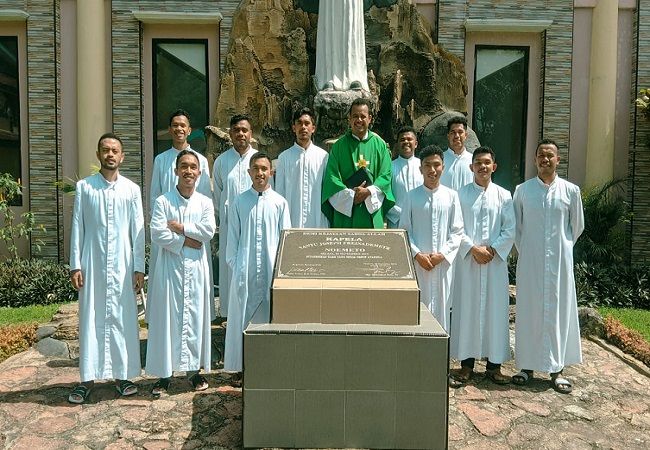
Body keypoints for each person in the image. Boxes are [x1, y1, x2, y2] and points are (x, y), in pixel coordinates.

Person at [68, 132, 145, 404]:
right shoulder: (85, 187)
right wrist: (75, 265)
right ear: (98, 154)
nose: (110, 154)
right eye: (105, 150)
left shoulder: (132, 190)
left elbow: (138, 231)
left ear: (122, 157)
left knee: (123, 319)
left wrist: (139, 267)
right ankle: (86, 380)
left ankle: (123, 377)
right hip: (92, 264)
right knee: (90, 318)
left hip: (123, 265)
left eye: (115, 150)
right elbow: (78, 226)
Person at [512, 139, 584, 394]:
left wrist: (561, 248)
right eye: (541, 155)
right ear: (535, 160)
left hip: (559, 264)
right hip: (530, 262)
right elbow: (517, 227)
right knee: (528, 310)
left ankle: (557, 370)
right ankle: (526, 367)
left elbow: (576, 227)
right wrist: (530, 250)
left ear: (558, 160)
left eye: (550, 155)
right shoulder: (522, 191)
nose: (545, 159)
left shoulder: (571, 191)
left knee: (558, 312)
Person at [146, 150, 216, 396]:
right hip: (170, 269)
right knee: (168, 319)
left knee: (194, 318)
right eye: (184, 166)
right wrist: (186, 240)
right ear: (175, 171)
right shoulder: (163, 202)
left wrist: (181, 227)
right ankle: (164, 375)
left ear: (199, 172)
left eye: (193, 167)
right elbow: (157, 233)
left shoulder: (205, 202)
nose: (188, 171)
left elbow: (208, 231)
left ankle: (194, 372)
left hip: (196, 269)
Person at [449, 146, 515, 387]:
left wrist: (493, 250)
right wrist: (473, 249)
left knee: (495, 313)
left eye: (487, 162)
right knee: (467, 310)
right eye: (478, 162)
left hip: (495, 264)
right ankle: (466, 365)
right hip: (468, 263)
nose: (482, 166)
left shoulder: (504, 195)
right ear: (471, 167)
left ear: (494, 167)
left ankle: (494, 366)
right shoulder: (460, 195)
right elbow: (455, 228)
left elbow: (510, 228)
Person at [224, 152, 291, 374]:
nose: (260, 173)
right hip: (245, 271)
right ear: (249, 172)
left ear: (271, 172)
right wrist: (238, 266)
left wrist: (280, 271)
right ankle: (241, 369)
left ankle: (270, 368)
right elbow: (232, 240)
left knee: (271, 317)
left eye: (264, 169)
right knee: (243, 318)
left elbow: (286, 240)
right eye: (256, 169)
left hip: (271, 270)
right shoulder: (239, 201)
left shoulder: (280, 203)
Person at [149, 109, 213, 319]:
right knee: (166, 288)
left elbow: (204, 197)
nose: (179, 129)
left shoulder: (201, 160)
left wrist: (189, 231)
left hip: (195, 232)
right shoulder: (161, 160)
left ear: (189, 130)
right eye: (175, 125)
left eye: (182, 125)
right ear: (169, 129)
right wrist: (176, 235)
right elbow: (155, 196)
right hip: (168, 232)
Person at [399, 145, 463, 331]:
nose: (432, 170)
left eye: (436, 165)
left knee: (443, 310)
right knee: (418, 310)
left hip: (442, 265)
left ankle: (441, 348)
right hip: (419, 265)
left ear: (443, 167)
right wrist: (417, 254)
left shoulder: (451, 196)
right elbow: (404, 231)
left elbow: (457, 230)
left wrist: (442, 254)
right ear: (420, 169)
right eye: (427, 165)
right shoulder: (411, 196)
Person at [321, 97, 394, 228]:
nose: (359, 120)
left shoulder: (380, 145)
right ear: (349, 118)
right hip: (345, 215)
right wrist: (351, 196)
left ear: (370, 118)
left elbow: (386, 175)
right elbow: (332, 179)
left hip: (370, 212)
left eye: (363, 116)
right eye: (355, 116)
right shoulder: (339, 146)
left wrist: (368, 191)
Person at [213, 114, 258, 318]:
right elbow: (217, 196)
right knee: (229, 269)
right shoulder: (222, 162)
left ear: (251, 133)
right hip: (229, 225)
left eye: (244, 130)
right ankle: (229, 316)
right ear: (230, 134)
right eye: (236, 130)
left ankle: (253, 315)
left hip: (253, 226)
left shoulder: (259, 160)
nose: (241, 133)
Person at [275, 107, 329, 228]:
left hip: (317, 220)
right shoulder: (284, 157)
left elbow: (327, 192)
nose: (303, 127)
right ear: (294, 128)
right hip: (291, 220)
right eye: (299, 123)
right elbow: (279, 193)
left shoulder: (323, 157)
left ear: (313, 128)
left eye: (307, 123)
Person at [386, 126, 423, 228]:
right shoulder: (389, 167)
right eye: (402, 140)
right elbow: (384, 195)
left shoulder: (424, 166)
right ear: (397, 144)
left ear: (416, 144)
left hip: (420, 220)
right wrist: (402, 213)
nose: (406, 142)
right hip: (396, 222)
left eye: (409, 139)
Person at [440, 116, 473, 191]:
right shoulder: (439, 160)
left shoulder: (473, 160)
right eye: (453, 132)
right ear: (448, 136)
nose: (456, 136)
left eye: (460, 132)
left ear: (466, 135)